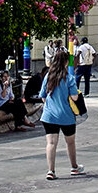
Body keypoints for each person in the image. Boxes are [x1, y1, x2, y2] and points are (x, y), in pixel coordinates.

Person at [38, 49, 84, 180]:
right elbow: (75, 97)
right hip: (67, 116)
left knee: (51, 143)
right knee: (70, 142)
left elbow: (43, 97)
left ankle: (51, 171)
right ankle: (74, 167)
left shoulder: (48, 76)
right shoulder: (69, 78)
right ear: (65, 62)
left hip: (49, 116)